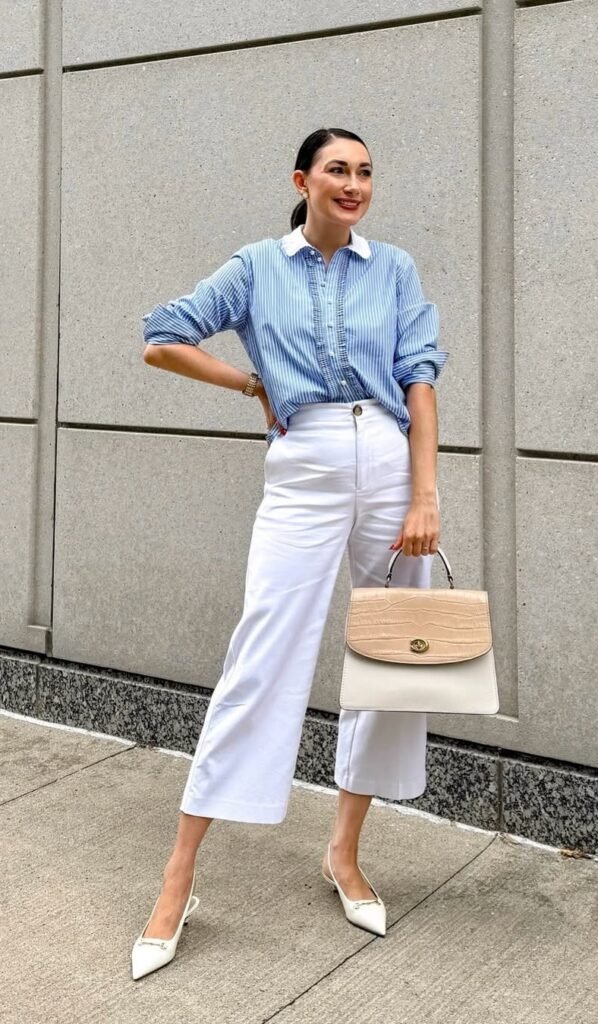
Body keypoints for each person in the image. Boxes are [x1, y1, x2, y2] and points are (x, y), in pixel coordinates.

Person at [131, 127, 449, 979]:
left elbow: (419, 376)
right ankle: (178, 876)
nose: (354, 184)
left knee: (393, 659)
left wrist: (425, 493)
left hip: (388, 466)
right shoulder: (255, 266)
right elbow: (162, 336)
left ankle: (342, 854)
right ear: (303, 181)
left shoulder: (395, 269)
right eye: (338, 171)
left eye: (366, 171)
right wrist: (248, 382)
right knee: (261, 654)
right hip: (304, 467)